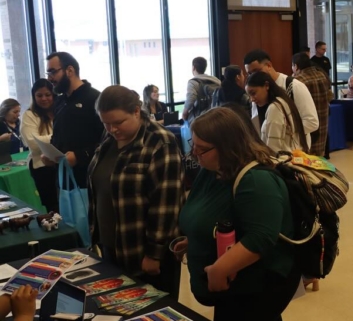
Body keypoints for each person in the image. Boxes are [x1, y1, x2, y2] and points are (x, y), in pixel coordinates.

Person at [179, 107, 301, 321]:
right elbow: (214, 214)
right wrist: (196, 239)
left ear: (227, 147)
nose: (194, 154)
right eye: (193, 145)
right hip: (233, 292)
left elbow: (261, 238)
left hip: (255, 291)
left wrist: (219, 270)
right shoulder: (212, 170)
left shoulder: (256, 181)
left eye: (202, 149)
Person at [88, 85, 182, 293]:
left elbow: (166, 204)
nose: (112, 129)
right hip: (111, 247)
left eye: (118, 122)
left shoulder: (161, 142)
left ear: (136, 111)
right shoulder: (110, 138)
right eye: (106, 123)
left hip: (143, 254)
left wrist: (154, 253)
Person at [42, 52, 104, 188]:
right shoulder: (59, 101)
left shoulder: (95, 99)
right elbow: (58, 135)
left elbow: (107, 141)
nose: (50, 78)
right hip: (64, 178)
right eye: (48, 74)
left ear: (70, 70)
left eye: (53, 72)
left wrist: (80, 156)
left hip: (90, 179)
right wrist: (51, 155)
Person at [243, 49, 319, 150]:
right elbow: (257, 121)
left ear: (269, 65)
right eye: (249, 73)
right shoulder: (256, 91)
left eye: (256, 71)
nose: (254, 76)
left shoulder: (293, 86)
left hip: (294, 151)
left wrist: (281, 131)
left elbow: (312, 122)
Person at [245, 71, 308, 152]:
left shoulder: (274, 108)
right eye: (249, 96)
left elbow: (273, 149)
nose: (252, 99)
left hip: (284, 161)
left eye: (253, 93)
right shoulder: (282, 100)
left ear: (266, 85)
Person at [21, 79, 59, 213]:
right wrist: (58, 137)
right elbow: (33, 143)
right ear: (34, 96)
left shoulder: (60, 110)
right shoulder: (29, 115)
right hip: (41, 167)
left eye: (47, 94)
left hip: (62, 164)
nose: (44, 99)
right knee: (52, 206)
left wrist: (47, 139)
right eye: (39, 95)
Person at [292, 52, 332, 157]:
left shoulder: (298, 81)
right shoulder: (322, 75)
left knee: (307, 158)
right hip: (322, 121)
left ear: (296, 66)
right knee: (319, 157)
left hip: (307, 125)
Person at [183, 57, 221, 123]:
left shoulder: (193, 82)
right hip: (215, 115)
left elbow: (191, 98)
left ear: (193, 68)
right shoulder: (216, 80)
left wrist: (184, 113)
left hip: (200, 118)